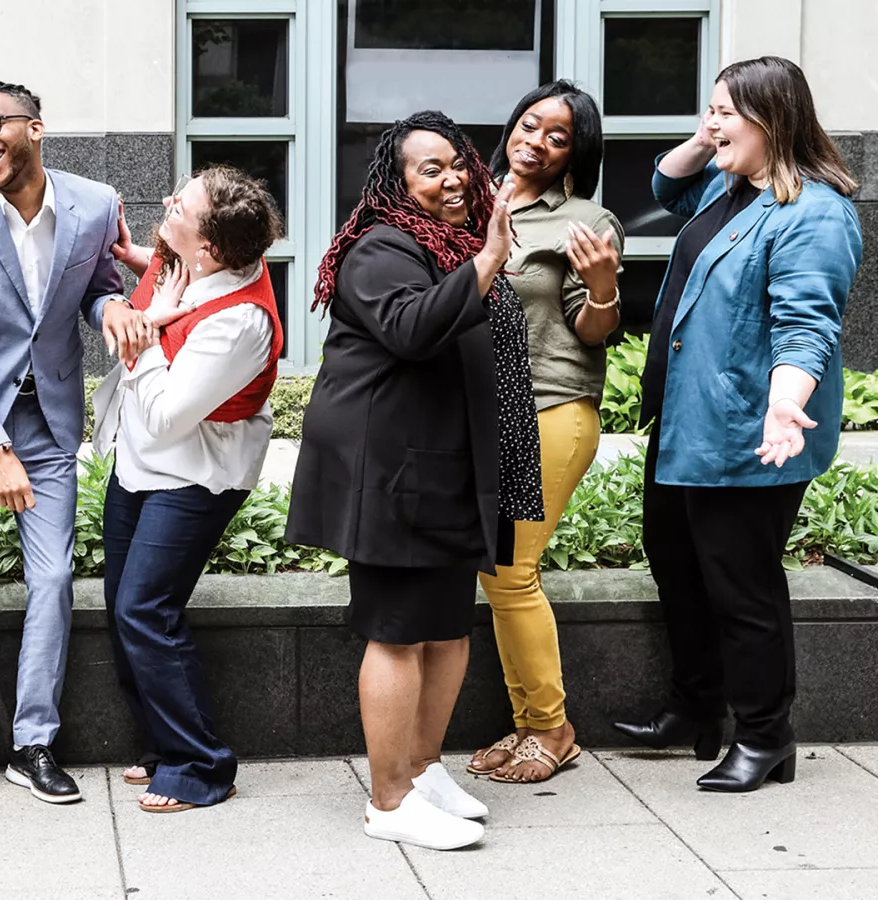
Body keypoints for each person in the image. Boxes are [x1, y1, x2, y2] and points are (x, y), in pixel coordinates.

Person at [285, 111, 544, 851]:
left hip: (448, 464)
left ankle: (423, 769)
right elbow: (410, 328)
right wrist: (490, 258)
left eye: (457, 161)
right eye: (430, 168)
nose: (454, 175)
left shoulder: (450, 244)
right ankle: (389, 800)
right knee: (399, 633)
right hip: (389, 471)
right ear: (395, 183)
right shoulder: (379, 246)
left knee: (446, 628)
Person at [612, 56, 861, 793]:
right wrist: (715, 133)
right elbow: (663, 184)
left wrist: (788, 401)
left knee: (741, 586)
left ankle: (764, 737)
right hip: (689, 421)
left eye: (726, 111)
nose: (711, 123)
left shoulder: (812, 211)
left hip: (749, 432)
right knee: (679, 567)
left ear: (774, 119)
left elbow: (806, 323)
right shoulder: (732, 189)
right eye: (708, 109)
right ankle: (695, 710)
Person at [0, 81, 153, 809]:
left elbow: (97, 286)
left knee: (52, 582)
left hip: (49, 423)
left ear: (37, 128)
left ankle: (32, 744)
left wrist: (112, 305)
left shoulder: (95, 203)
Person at [94, 165, 284, 813]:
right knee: (124, 605)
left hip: (197, 476)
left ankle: (202, 764)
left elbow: (171, 412)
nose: (168, 201)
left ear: (209, 248)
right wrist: (132, 258)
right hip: (141, 466)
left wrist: (139, 334)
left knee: (147, 610)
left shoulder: (241, 324)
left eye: (181, 205)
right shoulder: (189, 263)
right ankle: (162, 747)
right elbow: (173, 277)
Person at [466, 81, 625, 785]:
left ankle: (553, 729)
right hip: (486, 412)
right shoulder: (473, 199)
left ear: (573, 155)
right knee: (496, 574)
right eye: (530, 124)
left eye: (556, 136)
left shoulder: (587, 222)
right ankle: (528, 724)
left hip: (552, 408)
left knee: (512, 571)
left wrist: (602, 286)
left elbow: (596, 333)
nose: (535, 140)